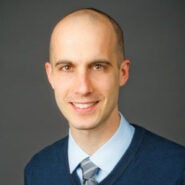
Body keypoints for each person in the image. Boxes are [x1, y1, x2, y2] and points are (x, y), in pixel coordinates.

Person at [24, 8, 185, 185]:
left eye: (98, 66)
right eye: (67, 68)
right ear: (50, 75)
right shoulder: (38, 171)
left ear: (123, 72)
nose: (83, 88)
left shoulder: (177, 170)